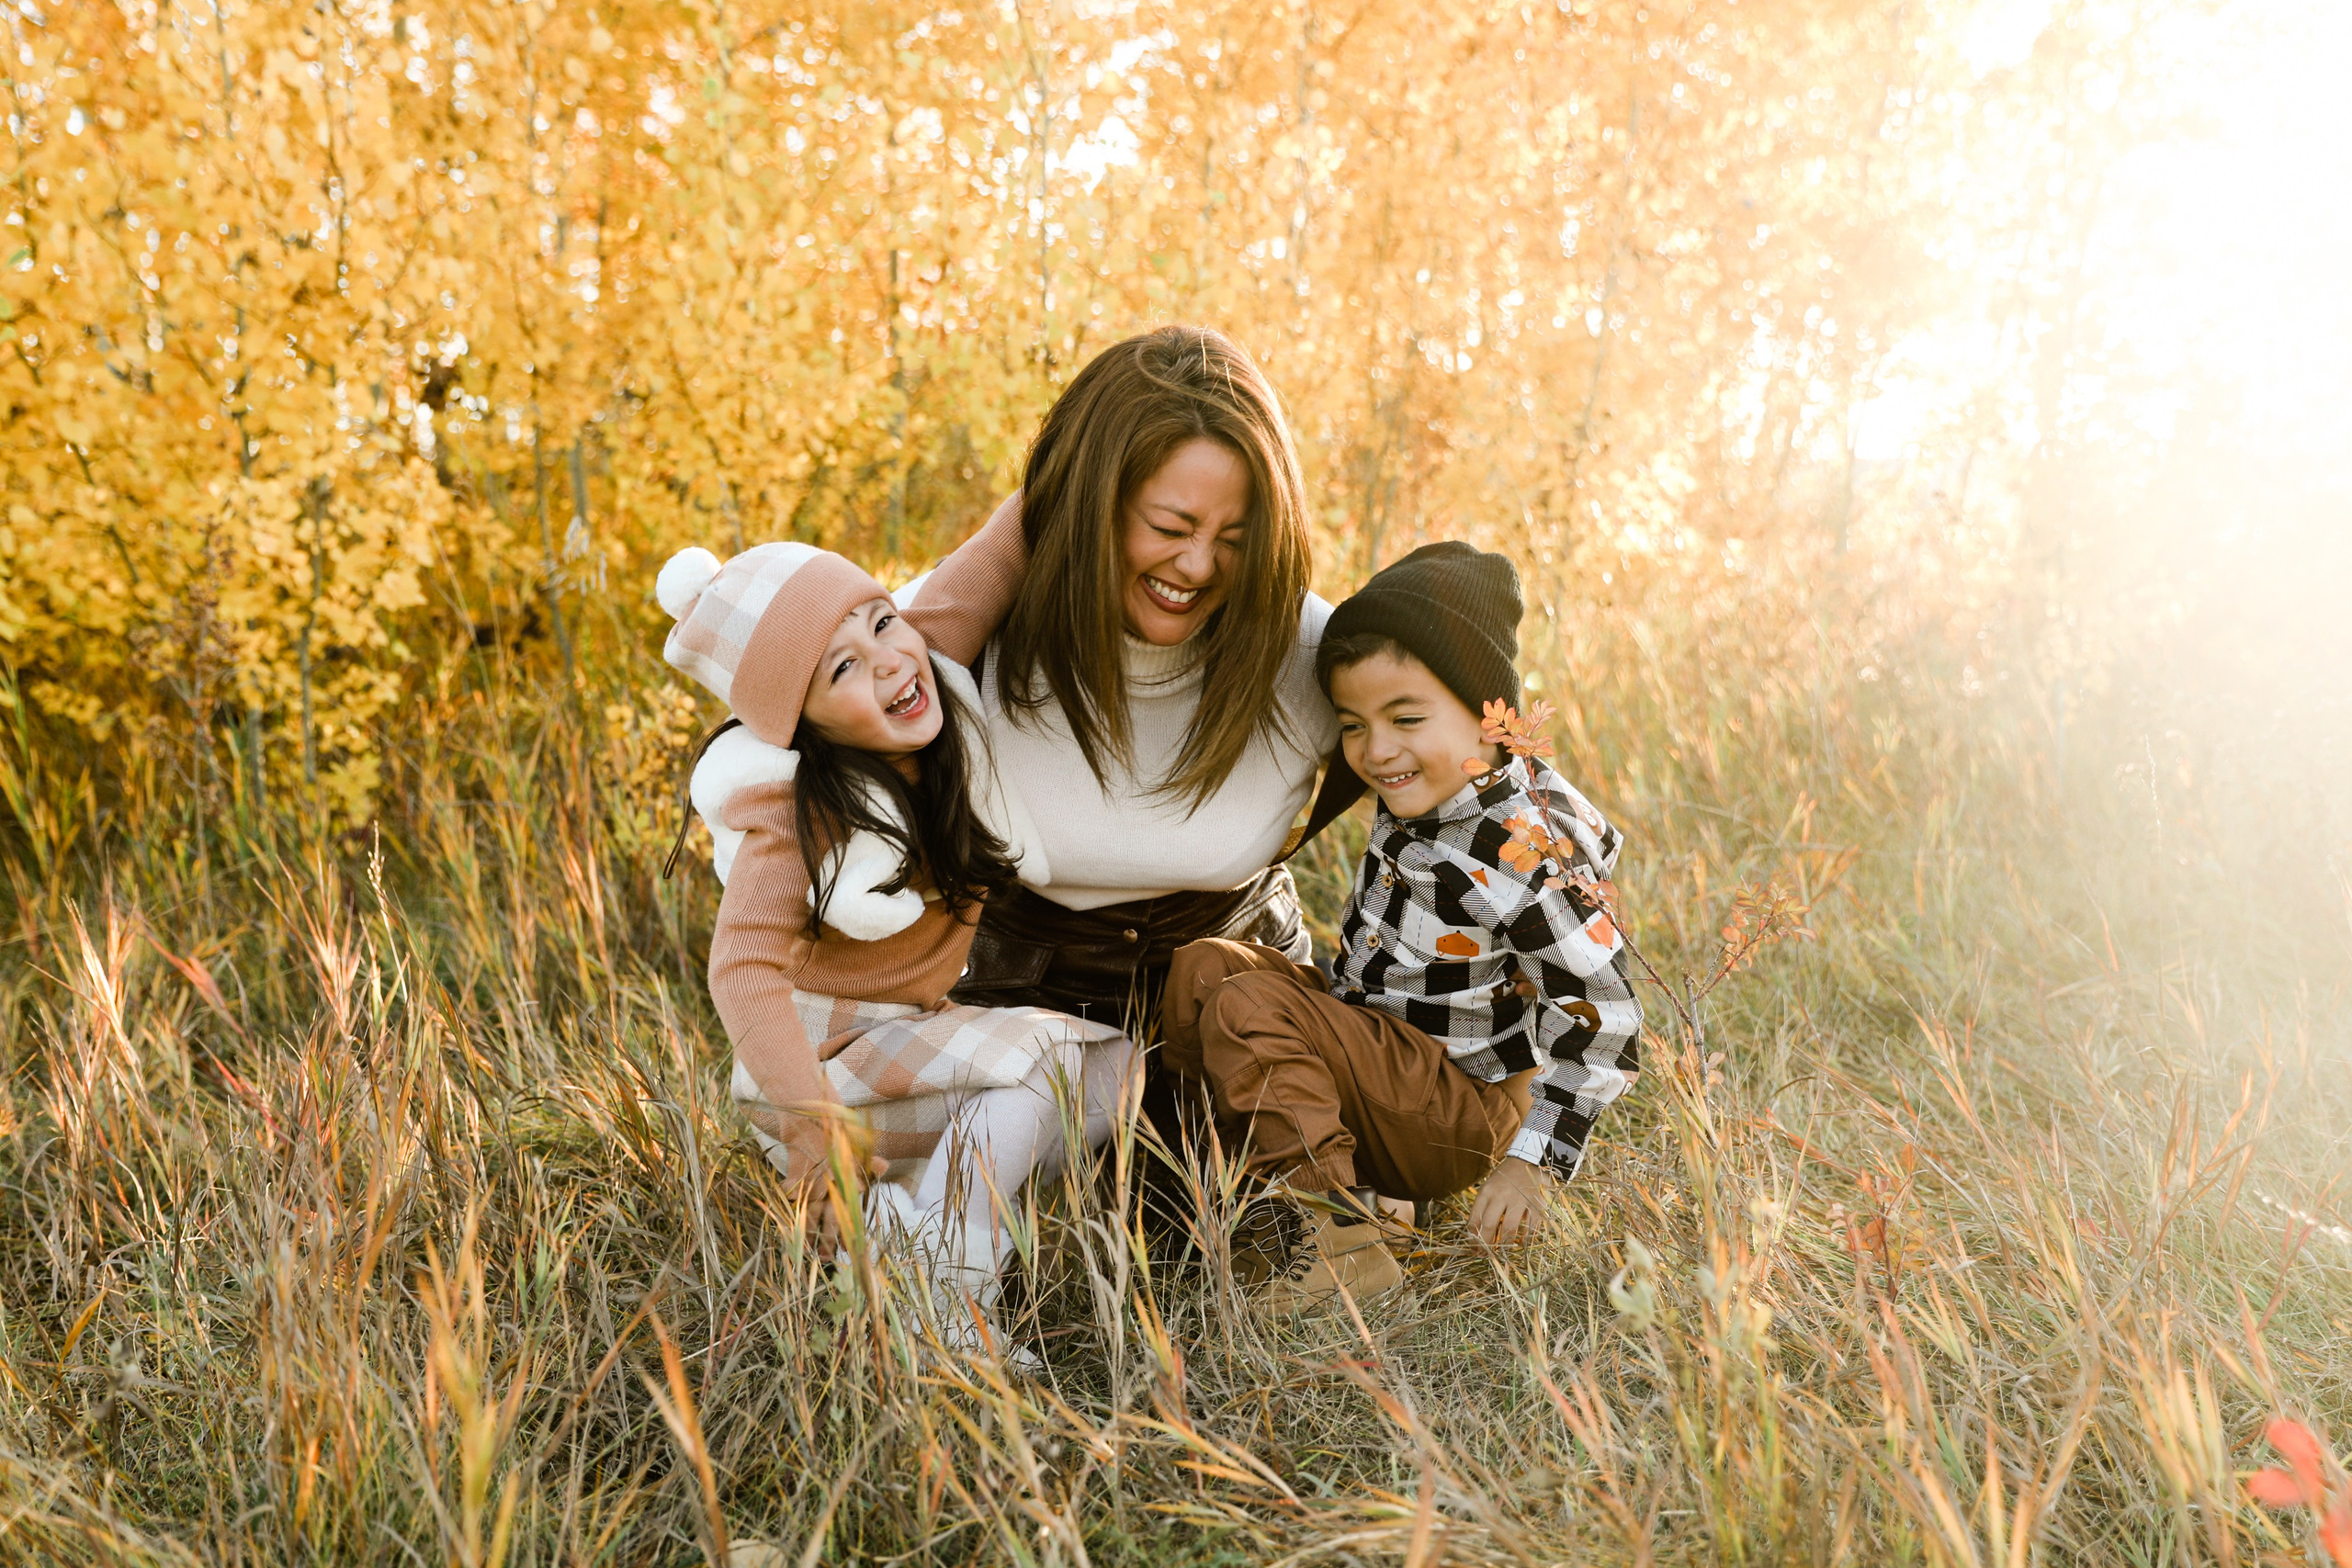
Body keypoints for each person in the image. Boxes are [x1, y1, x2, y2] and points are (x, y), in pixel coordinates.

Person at [655, 540, 1136, 1354]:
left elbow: (1009, 542)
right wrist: (813, 1138)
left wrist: (1120, 429)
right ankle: (941, 1291)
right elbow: (741, 966)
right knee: (1039, 1065)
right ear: (801, 721)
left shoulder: (921, 663)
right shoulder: (796, 812)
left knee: (1119, 1071)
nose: (886, 660)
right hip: (819, 1070)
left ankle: (905, 1229)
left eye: (882, 620)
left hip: (901, 1037)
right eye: (841, 668)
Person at [1159, 543, 1644, 1311]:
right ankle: (1241, 1200)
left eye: (1405, 718)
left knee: (1249, 1012)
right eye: (1354, 723)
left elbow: (1604, 1010)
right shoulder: (1434, 793)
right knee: (1204, 972)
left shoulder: (1521, 847)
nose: (1376, 750)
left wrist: (1531, 1163)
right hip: (1388, 1060)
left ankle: (1335, 1245)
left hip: (1455, 1106)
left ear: (1491, 715)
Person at [895, 324, 1335, 1035]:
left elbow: (1485, 798)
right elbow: (787, 763)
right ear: (1092, 507)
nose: (1197, 566)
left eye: (1235, 537)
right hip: (1010, 1005)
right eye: (1170, 526)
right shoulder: (951, 633)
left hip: (1242, 1024)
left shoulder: (1312, 649)